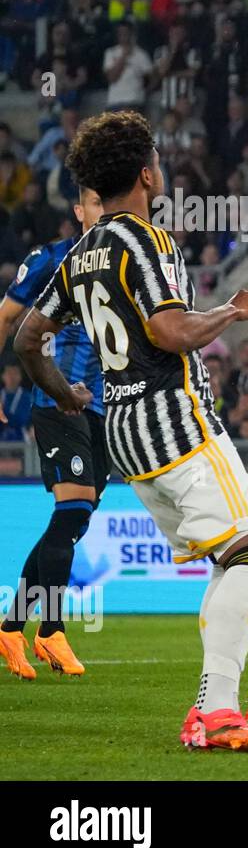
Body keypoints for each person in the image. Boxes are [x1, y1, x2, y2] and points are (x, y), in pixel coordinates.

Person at [14, 111, 248, 751]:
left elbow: (30, 338)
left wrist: (69, 393)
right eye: (158, 159)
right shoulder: (148, 240)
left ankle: (209, 706)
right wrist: (232, 309)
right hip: (176, 421)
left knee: (232, 555)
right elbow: (170, 332)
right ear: (146, 172)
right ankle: (217, 711)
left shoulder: (79, 255)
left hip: (123, 433)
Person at [0, 187, 105, 680]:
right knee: (73, 508)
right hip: (56, 399)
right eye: (95, 204)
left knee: (71, 522)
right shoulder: (51, 259)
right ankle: (51, 630)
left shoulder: (128, 263)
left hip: (104, 412)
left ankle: (12, 625)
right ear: (79, 211)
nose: (104, 212)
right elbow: (5, 317)